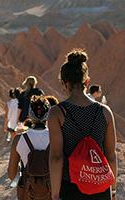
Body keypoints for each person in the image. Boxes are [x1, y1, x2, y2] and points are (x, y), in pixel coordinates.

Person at [48, 49, 117, 200]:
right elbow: (111, 156)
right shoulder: (105, 112)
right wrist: (112, 190)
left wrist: (55, 194)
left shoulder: (57, 113)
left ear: (64, 83)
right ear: (87, 82)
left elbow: (56, 157)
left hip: (71, 186)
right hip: (100, 187)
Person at [8, 95, 56, 200]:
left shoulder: (19, 139)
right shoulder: (56, 137)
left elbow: (11, 174)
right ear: (48, 114)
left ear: (30, 114)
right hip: (52, 192)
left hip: (28, 192)